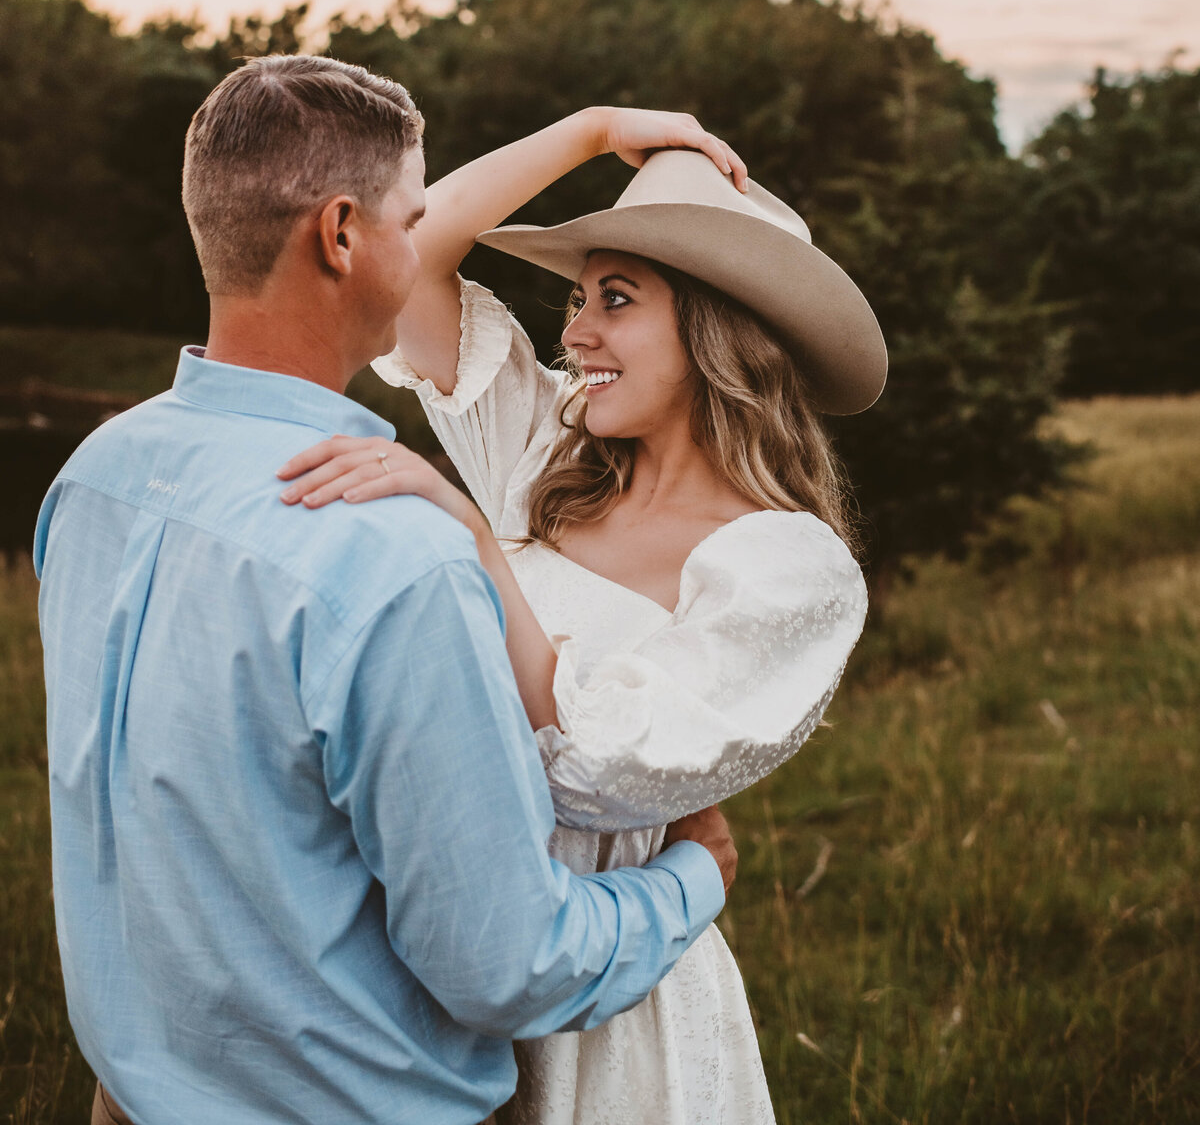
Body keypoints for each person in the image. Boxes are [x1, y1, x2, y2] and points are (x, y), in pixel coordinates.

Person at [34, 60, 738, 1125]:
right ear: (343, 238)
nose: (423, 241)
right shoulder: (394, 558)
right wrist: (696, 874)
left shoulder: (92, 477)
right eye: (412, 215)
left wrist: (593, 126)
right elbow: (512, 965)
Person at [281, 105, 887, 1124]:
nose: (577, 330)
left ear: (715, 327)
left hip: (605, 1004)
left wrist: (472, 541)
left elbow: (597, 771)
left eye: (617, 299)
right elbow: (413, 262)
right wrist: (594, 131)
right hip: (425, 940)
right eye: (576, 297)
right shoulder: (550, 454)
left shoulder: (787, 568)